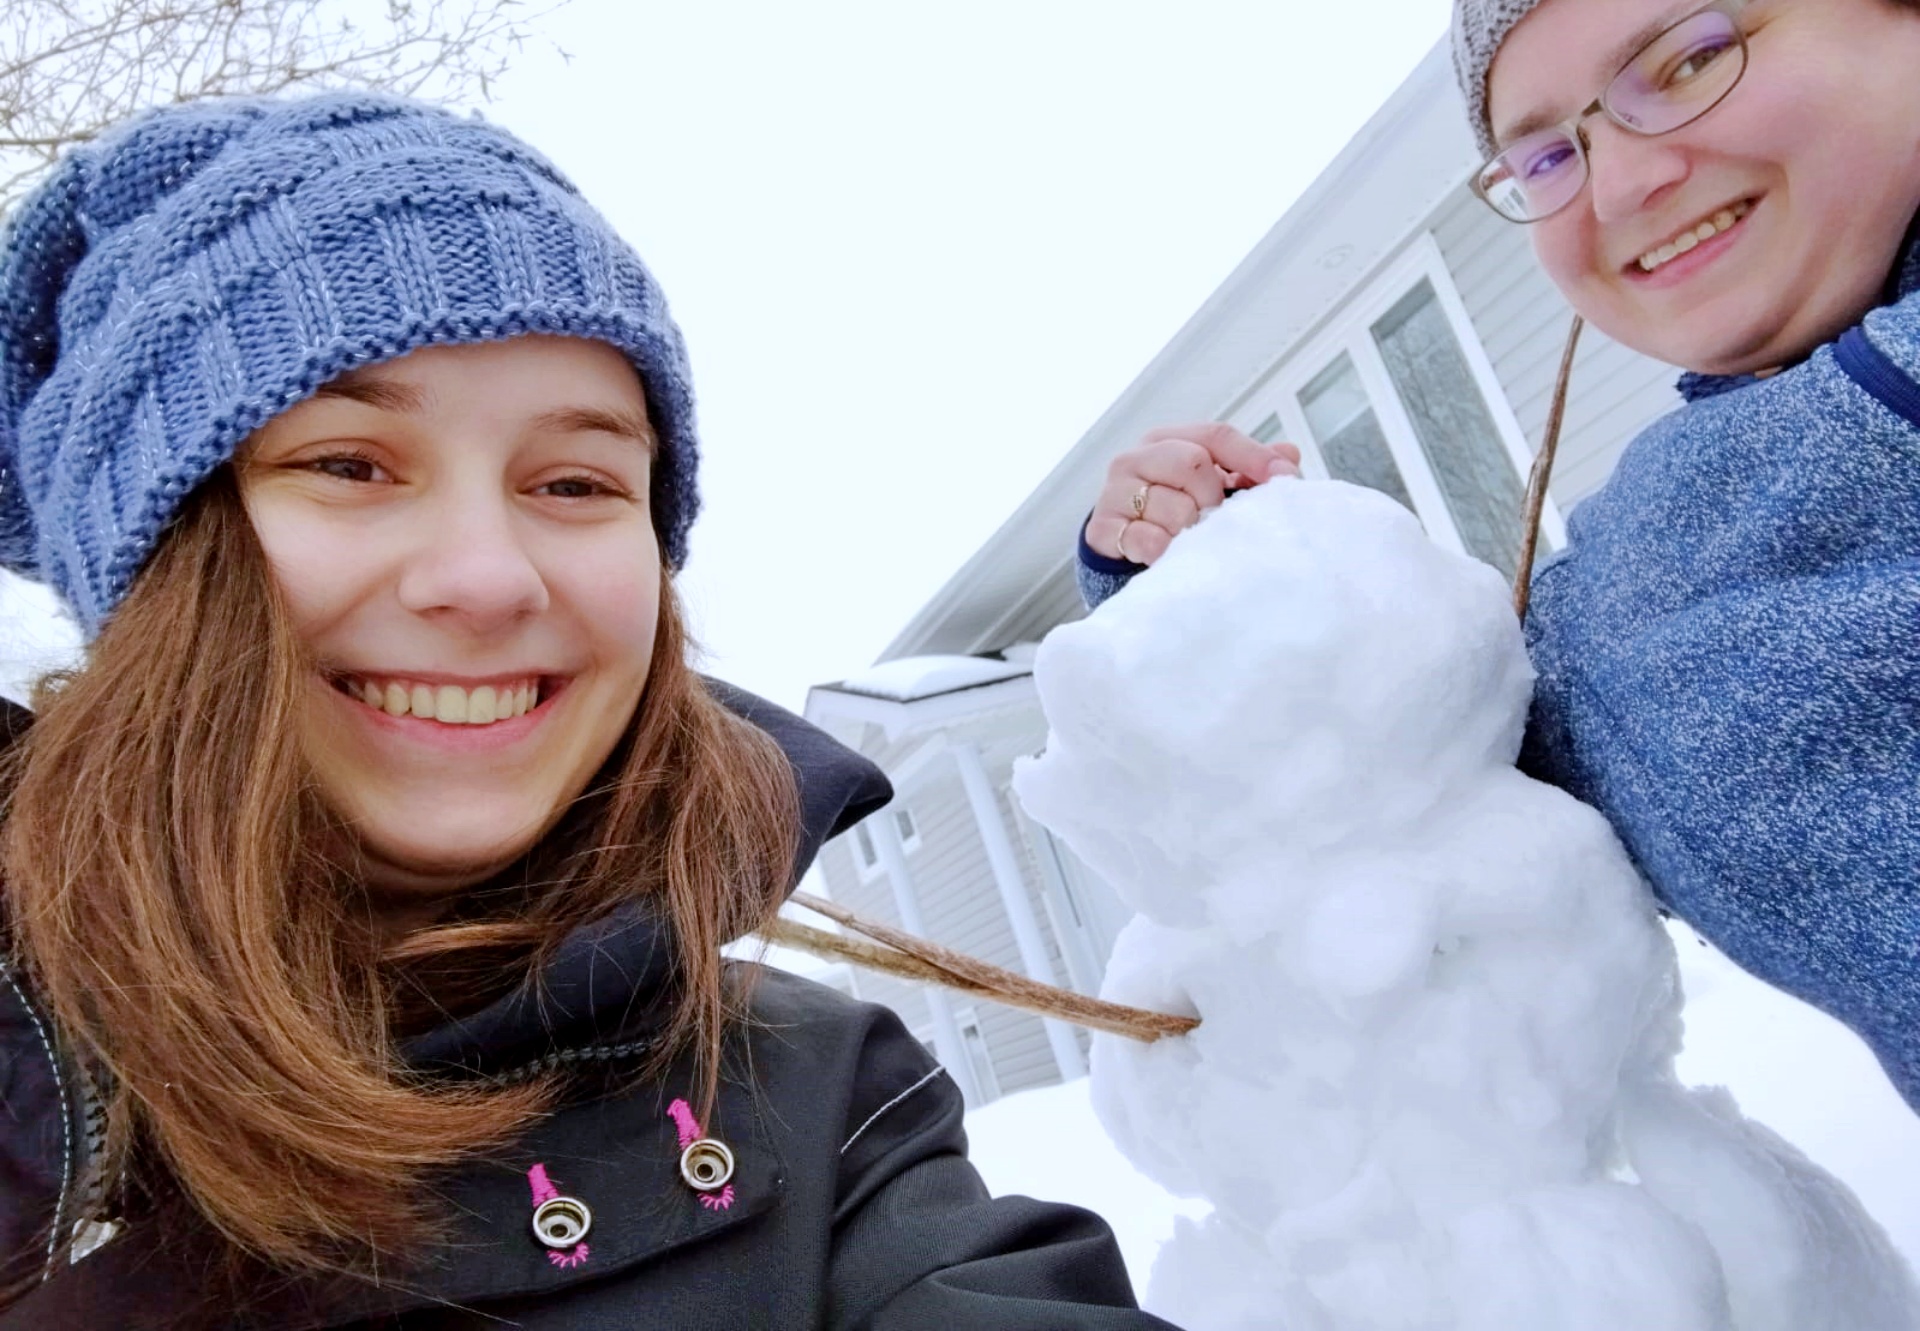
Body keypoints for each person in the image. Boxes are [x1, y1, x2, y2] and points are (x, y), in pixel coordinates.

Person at [0, 93, 1172, 1329]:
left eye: (573, 481)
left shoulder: (819, 1108)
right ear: (148, 562)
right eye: (349, 464)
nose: (488, 577)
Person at [1077, 0, 1920, 1116]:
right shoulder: (1627, 597)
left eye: (1690, 61)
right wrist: (1207, 583)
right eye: (1547, 157)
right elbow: (1432, 764)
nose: (1620, 187)